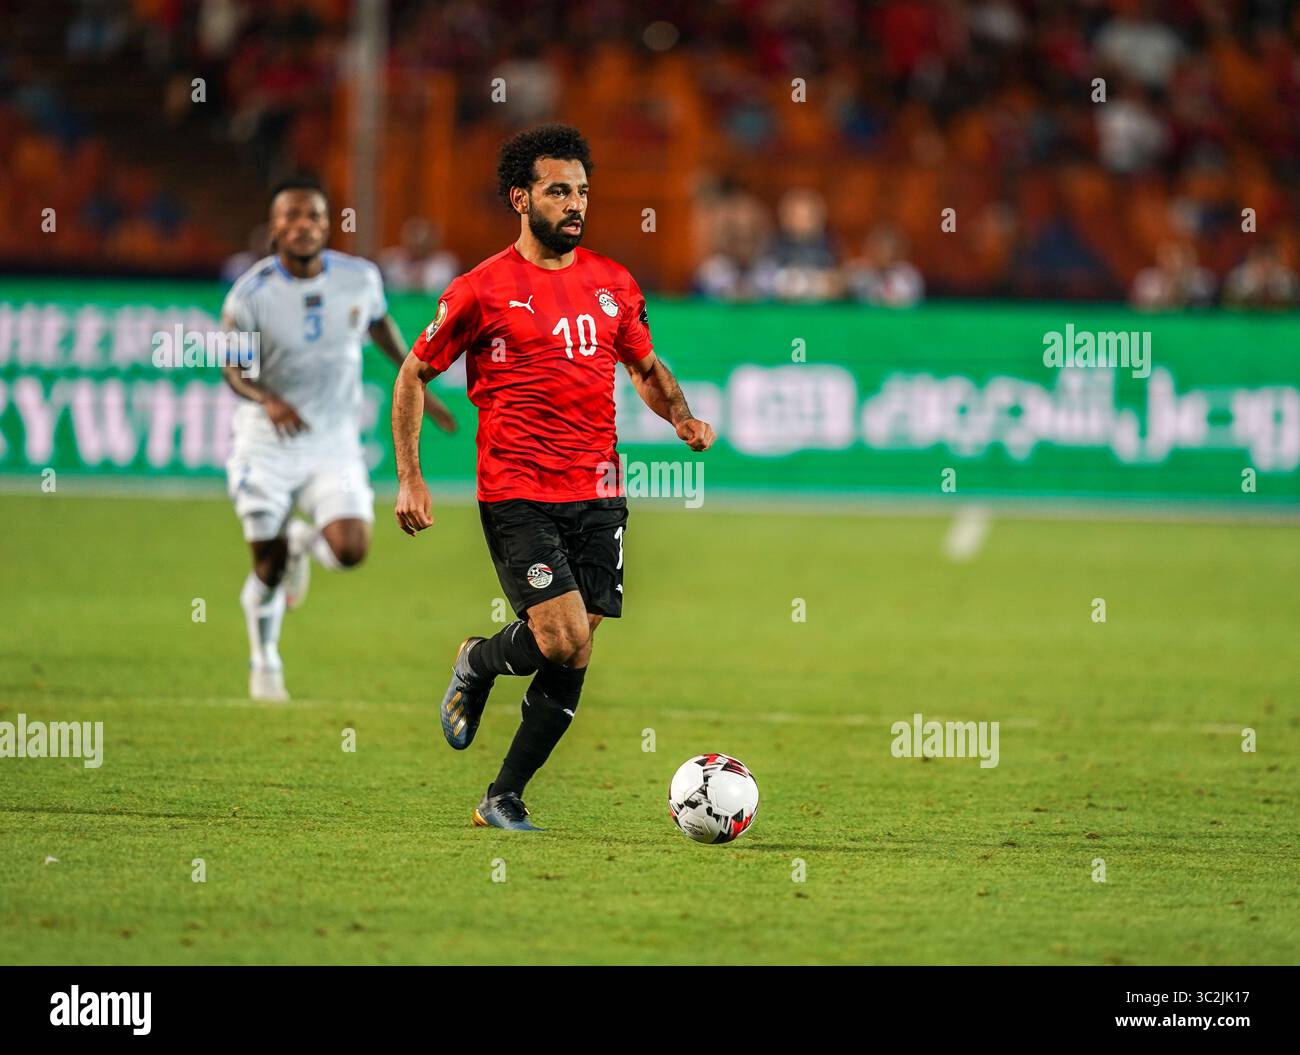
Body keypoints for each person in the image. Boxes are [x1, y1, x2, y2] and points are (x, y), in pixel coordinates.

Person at [391, 125, 716, 831]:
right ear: (521, 197)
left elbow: (645, 368)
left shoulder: (613, 282)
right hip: (518, 490)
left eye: (583, 192)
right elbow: (413, 373)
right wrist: (411, 476)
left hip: (599, 490)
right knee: (562, 634)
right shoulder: (480, 289)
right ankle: (476, 661)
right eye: (559, 190)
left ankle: (503, 796)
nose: (576, 205)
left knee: (579, 638)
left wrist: (681, 416)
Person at [221, 175, 457, 701]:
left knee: (351, 549)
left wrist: (422, 386)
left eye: (314, 217)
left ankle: (307, 541)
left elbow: (381, 331)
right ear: (274, 228)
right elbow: (232, 369)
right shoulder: (250, 294)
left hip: (333, 441)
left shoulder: (360, 278)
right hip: (267, 443)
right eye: (292, 217)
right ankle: (265, 662)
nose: (303, 226)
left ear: (329, 226)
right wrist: (267, 399)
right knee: (268, 564)